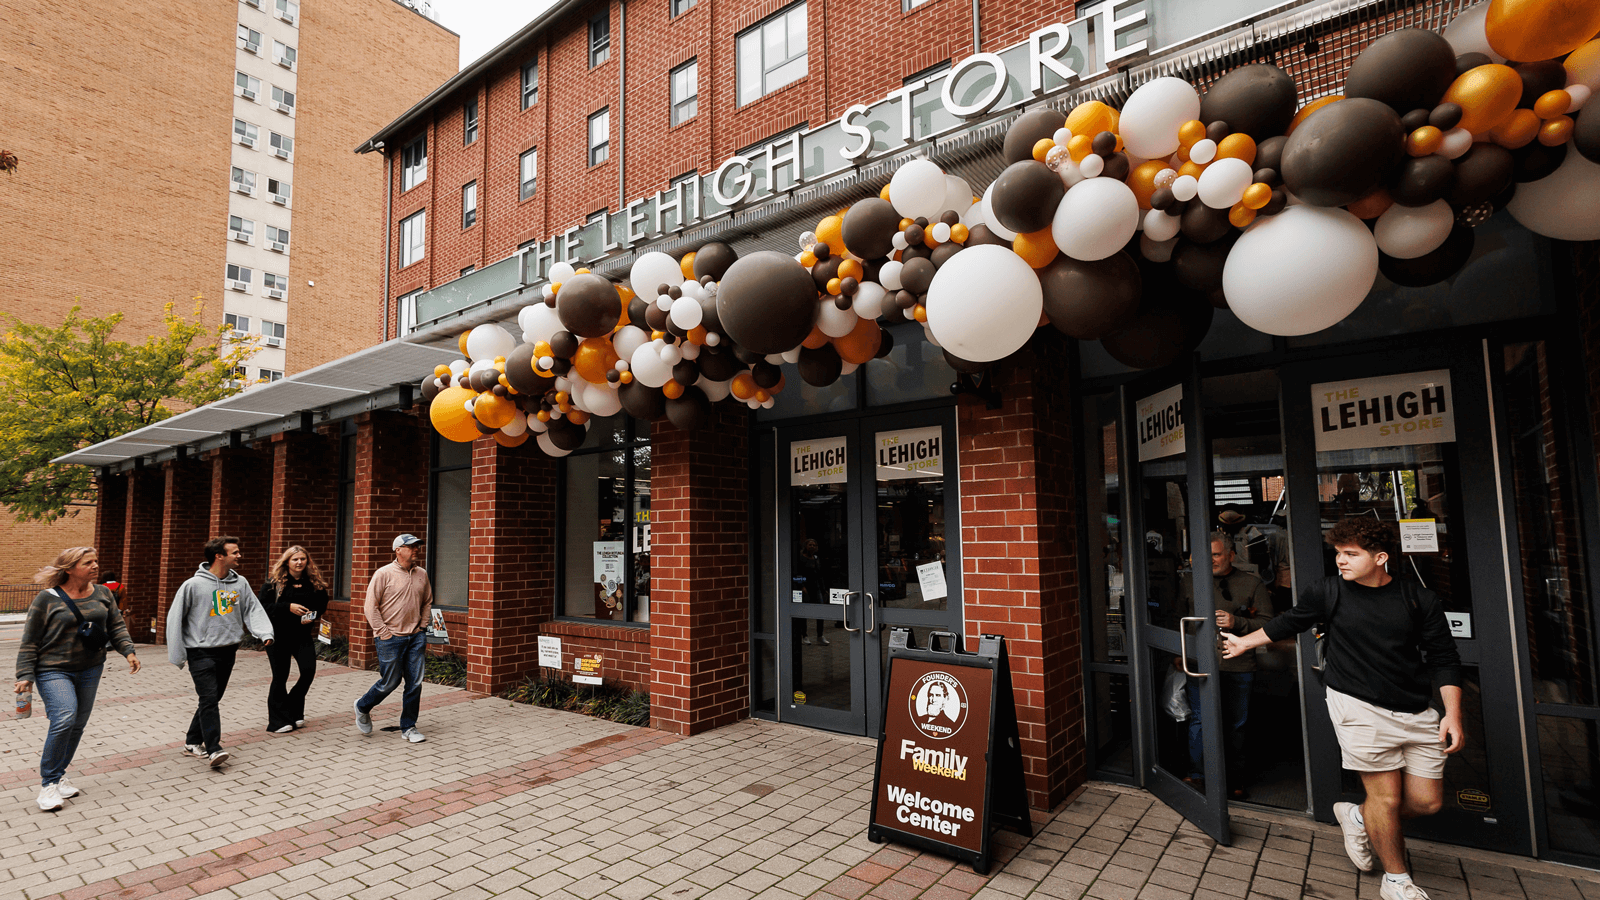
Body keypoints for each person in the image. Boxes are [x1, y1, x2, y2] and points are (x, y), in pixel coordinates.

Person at [1222, 518, 1463, 900]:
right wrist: (1243, 643)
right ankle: (1397, 881)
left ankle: (1357, 816)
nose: (1341, 561)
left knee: (1426, 802)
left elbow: (1444, 658)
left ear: (1380, 558)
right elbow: (1290, 621)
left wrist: (1452, 713)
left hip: (1417, 711)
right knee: (1385, 799)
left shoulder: (1419, 599)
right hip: (1358, 707)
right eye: (1338, 553)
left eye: (1351, 554)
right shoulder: (1329, 592)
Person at [14, 547, 141, 811]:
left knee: (77, 725)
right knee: (64, 718)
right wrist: (25, 675)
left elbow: (115, 625)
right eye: (88, 562)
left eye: (96, 561)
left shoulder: (103, 593)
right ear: (69, 569)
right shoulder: (46, 599)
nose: (95, 566)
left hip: (90, 668)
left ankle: (59, 775)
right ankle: (48, 784)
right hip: (52, 669)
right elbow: (30, 640)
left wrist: (128, 651)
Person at [168, 536, 274, 768]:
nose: (239, 556)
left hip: (228, 650)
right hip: (200, 651)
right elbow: (175, 619)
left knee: (213, 698)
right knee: (208, 699)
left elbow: (252, 609)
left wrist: (264, 632)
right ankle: (214, 748)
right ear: (219, 556)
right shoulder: (193, 586)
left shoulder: (240, 583)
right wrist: (178, 654)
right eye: (234, 552)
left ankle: (191, 741)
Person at [1186, 533, 1273, 799]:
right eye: (1205, 556)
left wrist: (1238, 623)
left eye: (1215, 554)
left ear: (1231, 555)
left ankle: (1235, 779)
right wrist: (1177, 654)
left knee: (1235, 724)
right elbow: (1175, 617)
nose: (1210, 560)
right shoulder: (1189, 582)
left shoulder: (1252, 583)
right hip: (1198, 664)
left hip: (1239, 666)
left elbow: (1270, 624)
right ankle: (1199, 776)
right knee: (1200, 721)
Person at [354, 533, 433, 743]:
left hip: (415, 637)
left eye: (417, 546)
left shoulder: (422, 574)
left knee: (415, 684)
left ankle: (409, 727)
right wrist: (384, 632)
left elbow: (427, 602)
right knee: (390, 682)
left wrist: (422, 628)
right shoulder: (383, 574)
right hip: (390, 638)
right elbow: (370, 607)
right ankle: (362, 706)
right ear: (397, 550)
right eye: (411, 546)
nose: (416, 549)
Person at [261, 546, 330, 733]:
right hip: (278, 636)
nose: (299, 562)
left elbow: (322, 604)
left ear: (307, 561)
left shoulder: (314, 583)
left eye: (302, 559)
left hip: (302, 636)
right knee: (280, 676)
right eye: (295, 559)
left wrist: (312, 615)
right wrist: (287, 607)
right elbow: (262, 607)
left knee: (308, 672)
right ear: (287, 562)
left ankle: (292, 710)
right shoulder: (273, 584)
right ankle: (277, 722)